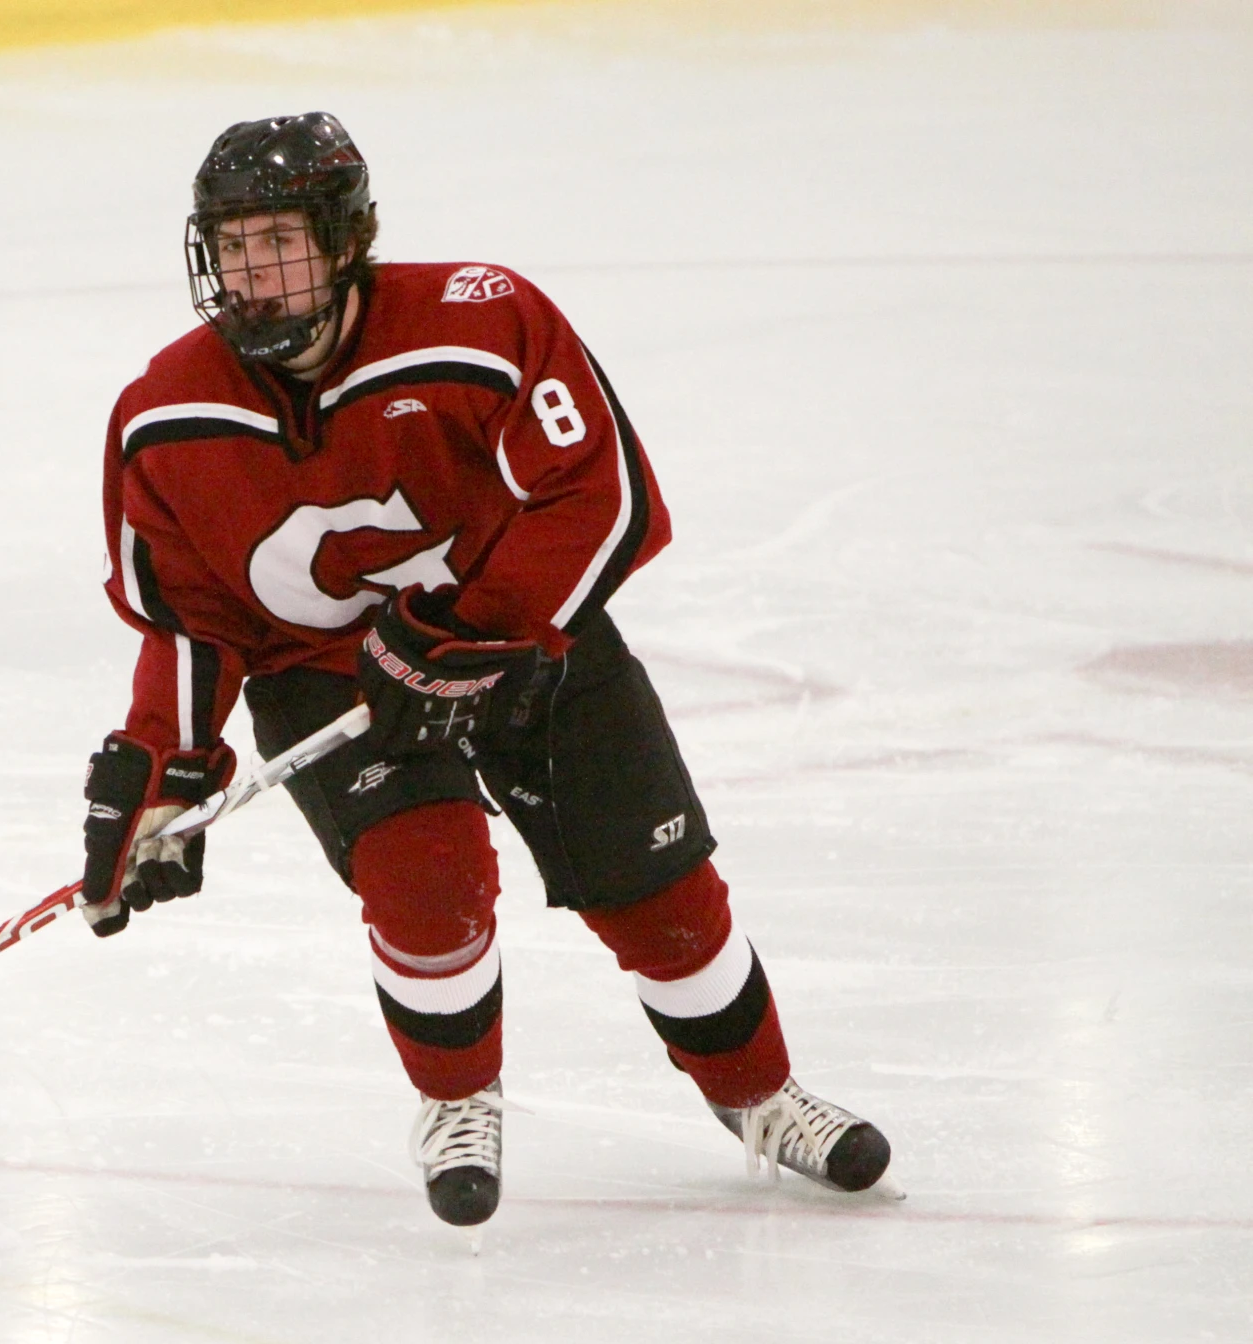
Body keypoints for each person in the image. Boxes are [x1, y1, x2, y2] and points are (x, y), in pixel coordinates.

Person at [77, 112, 892, 1226]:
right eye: (230, 246)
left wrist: (480, 630)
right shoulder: (162, 416)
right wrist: (161, 769)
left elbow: (600, 497)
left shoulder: (481, 319)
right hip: (332, 678)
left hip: (524, 640)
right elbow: (190, 621)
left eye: (279, 240)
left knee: (659, 891)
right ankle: (458, 1101)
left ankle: (759, 1094)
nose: (252, 274)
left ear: (345, 235)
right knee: (428, 884)